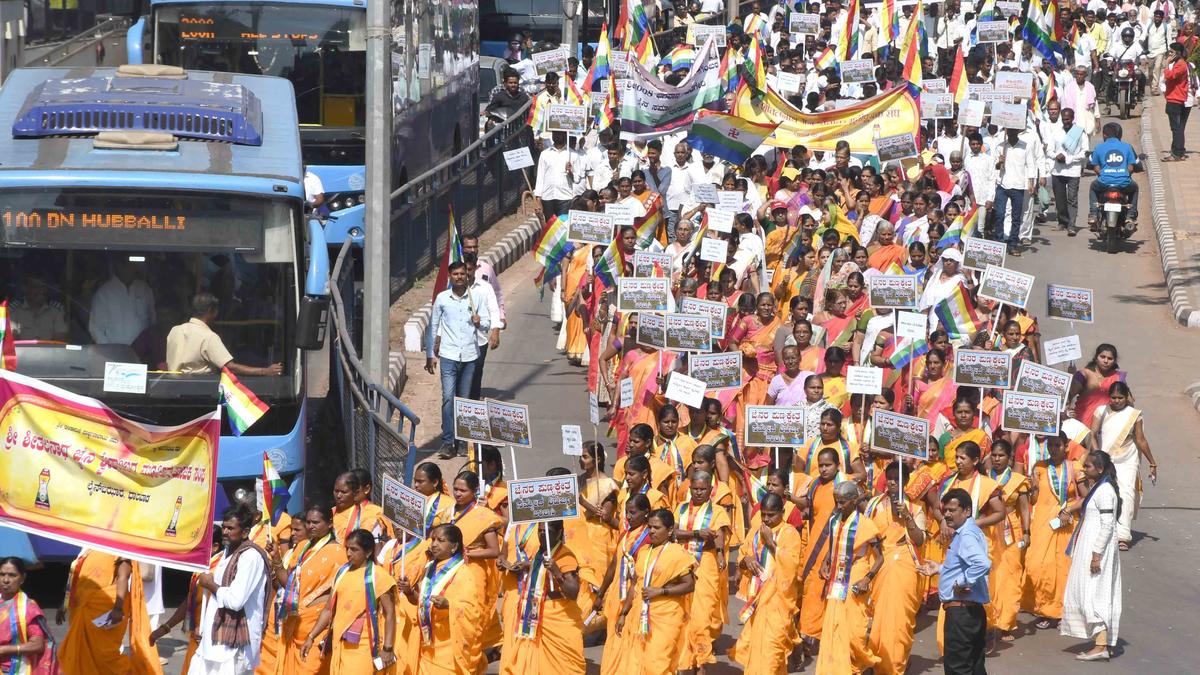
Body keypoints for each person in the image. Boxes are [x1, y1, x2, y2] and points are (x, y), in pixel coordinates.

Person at [186, 505, 270, 674]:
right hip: (214, 641)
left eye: (230, 528)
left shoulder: (250, 557)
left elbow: (235, 600)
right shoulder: (227, 553)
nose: (224, 532)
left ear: (245, 532)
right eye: (224, 527)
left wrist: (210, 584)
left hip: (235, 644)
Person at [916, 487, 991, 675]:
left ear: (966, 511)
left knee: (958, 668)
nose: (947, 515)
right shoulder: (968, 531)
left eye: (952, 510)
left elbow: (982, 563)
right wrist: (940, 569)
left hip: (962, 613)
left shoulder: (966, 534)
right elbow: (965, 564)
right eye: (945, 510)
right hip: (969, 612)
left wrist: (962, 583)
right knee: (975, 666)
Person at [727, 492, 803, 673]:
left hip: (778, 601)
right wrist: (747, 561)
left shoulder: (789, 533)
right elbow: (743, 555)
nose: (767, 519)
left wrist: (771, 544)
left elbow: (792, 567)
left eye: (772, 515)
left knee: (771, 651)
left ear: (782, 512)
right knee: (759, 650)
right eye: (764, 514)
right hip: (757, 599)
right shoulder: (755, 530)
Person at [301, 529, 398, 672]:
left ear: (368, 552)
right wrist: (311, 636)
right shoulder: (342, 572)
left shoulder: (379, 576)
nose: (348, 553)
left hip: (363, 646)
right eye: (347, 549)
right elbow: (328, 609)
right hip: (339, 644)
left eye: (354, 549)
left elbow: (390, 614)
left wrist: (388, 648)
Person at [496, 519, 585, 674]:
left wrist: (557, 573)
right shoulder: (541, 553)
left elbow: (573, 592)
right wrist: (529, 566)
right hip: (536, 616)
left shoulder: (566, 556)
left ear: (558, 533)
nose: (542, 535)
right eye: (540, 531)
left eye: (547, 532)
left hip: (557, 620)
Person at [615, 508, 697, 674]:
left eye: (657, 528)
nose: (651, 531)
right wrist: (623, 613)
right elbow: (635, 585)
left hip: (666, 617)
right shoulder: (644, 552)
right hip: (639, 616)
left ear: (669, 531)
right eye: (650, 527)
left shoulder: (677, 553)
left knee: (657, 664)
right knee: (637, 663)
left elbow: (689, 585)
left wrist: (661, 591)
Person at [814, 481, 883, 674]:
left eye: (843, 502)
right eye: (837, 501)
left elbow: (880, 558)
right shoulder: (835, 519)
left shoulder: (866, 525)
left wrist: (867, 579)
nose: (838, 506)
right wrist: (825, 563)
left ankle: (864, 662)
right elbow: (834, 546)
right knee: (833, 624)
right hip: (836, 577)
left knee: (854, 630)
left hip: (856, 574)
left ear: (854, 501)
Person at [396, 524, 486, 674]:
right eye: (433, 540)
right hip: (426, 642)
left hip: (449, 644)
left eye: (440, 540)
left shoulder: (464, 573)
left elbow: (473, 612)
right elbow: (422, 602)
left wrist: (449, 605)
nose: (434, 544)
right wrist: (409, 592)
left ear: (454, 546)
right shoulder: (429, 568)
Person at [1060, 451, 1123, 661]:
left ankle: (1101, 645)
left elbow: (1107, 526)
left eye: (1087, 466)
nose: (1083, 469)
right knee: (1090, 593)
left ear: (1100, 469)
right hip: (1091, 548)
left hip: (1098, 551)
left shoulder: (1105, 491)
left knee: (1096, 596)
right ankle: (1100, 642)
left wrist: (1096, 556)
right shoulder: (1098, 488)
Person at [865, 462, 927, 675]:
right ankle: (877, 661)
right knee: (876, 621)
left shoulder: (916, 508)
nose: (892, 482)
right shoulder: (873, 505)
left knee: (899, 622)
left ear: (906, 482)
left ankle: (896, 664)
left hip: (903, 567)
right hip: (879, 564)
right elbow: (864, 534)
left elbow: (919, 541)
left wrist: (907, 516)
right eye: (889, 477)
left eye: (897, 478)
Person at [57, 548, 161, 674]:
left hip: (106, 608)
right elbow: (77, 579)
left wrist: (118, 608)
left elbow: (123, 576)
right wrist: (64, 604)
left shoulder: (117, 547)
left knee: (105, 656)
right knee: (80, 652)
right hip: (82, 609)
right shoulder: (88, 549)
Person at [426, 261, 492, 459]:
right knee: (448, 398)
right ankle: (448, 442)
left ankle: (462, 442)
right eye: (455, 274)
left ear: (467, 276)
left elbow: (487, 324)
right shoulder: (442, 299)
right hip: (448, 355)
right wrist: (430, 354)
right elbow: (434, 325)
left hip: (470, 356)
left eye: (462, 273)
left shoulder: (477, 297)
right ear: (450, 276)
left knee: (464, 400)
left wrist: (480, 321)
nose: (459, 277)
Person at [273, 505, 348, 675]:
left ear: (329, 523)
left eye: (316, 522)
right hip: (294, 621)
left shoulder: (340, 552)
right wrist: (277, 559)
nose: (311, 526)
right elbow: (289, 585)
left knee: (311, 668)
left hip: (318, 624)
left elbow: (339, 594)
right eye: (308, 522)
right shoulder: (301, 547)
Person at [1088, 381, 1158, 550]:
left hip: (1128, 458)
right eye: (1113, 397)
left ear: (1127, 397)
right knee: (1105, 492)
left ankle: (1123, 535)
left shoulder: (1134, 414)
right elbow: (1093, 433)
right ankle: (1101, 529)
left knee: (1126, 493)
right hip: (1106, 459)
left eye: (1120, 397)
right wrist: (1097, 455)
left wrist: (1152, 462)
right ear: (1109, 397)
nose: (1117, 400)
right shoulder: (1101, 411)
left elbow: (1140, 439)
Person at [673, 471, 730, 673]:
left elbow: (719, 536)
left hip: (706, 563)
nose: (698, 493)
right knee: (680, 617)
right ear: (689, 489)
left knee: (700, 617)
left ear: (710, 490)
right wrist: (697, 534)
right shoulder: (680, 509)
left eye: (702, 489)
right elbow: (673, 532)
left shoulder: (717, 511)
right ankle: (683, 662)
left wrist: (721, 555)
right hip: (680, 566)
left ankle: (701, 662)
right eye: (695, 489)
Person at [1023, 434, 1079, 629]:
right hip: (1043, 523)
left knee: (1063, 568)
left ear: (1066, 446)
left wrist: (1068, 510)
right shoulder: (1039, 467)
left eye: (1057, 445)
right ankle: (1044, 607)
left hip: (1067, 524)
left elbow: (1085, 497)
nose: (1053, 449)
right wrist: (1032, 488)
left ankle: (1056, 611)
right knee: (1037, 565)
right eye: (1050, 445)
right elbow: (1033, 500)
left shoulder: (1076, 468)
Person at [166, 293, 283, 375]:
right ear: (210, 311)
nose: (217, 314)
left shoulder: (175, 330)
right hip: (198, 392)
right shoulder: (209, 337)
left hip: (172, 390)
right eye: (216, 311)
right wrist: (265, 371)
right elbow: (230, 368)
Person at [986, 440, 1031, 645]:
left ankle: (1005, 623)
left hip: (1011, 530)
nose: (997, 459)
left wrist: (1027, 532)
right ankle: (988, 621)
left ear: (1010, 458)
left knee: (1010, 575)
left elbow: (1024, 509)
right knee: (990, 576)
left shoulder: (1019, 480)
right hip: (988, 529)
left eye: (1001, 455)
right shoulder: (984, 479)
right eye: (994, 455)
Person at [0, 557, 57, 673]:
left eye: (12, 575)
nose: (6, 580)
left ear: (22, 578)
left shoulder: (28, 608)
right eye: (2, 574)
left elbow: (37, 645)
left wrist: (4, 650)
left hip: (12, 668)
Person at [88, 255, 155, 345]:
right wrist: (110, 351)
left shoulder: (144, 289)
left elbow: (153, 319)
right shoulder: (104, 293)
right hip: (115, 353)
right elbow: (95, 328)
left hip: (144, 353)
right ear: (119, 266)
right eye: (129, 265)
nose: (133, 269)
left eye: (134, 265)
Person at [1087, 123, 1142, 229]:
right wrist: (1124, 174)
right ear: (1119, 135)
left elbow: (1095, 167)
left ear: (1104, 135)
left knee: (1093, 187)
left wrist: (1103, 174)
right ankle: (1131, 215)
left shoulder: (1099, 147)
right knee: (1135, 188)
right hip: (1124, 182)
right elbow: (1131, 167)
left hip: (1104, 182)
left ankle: (1093, 214)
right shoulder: (1127, 147)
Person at [1046, 107, 1090, 237]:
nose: (1066, 122)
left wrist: (1070, 158)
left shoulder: (1080, 133)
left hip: (1073, 170)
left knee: (1072, 199)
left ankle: (1072, 225)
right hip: (1058, 170)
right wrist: (1056, 156)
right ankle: (1062, 222)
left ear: (1072, 118)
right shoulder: (1056, 132)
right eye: (1064, 119)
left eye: (1068, 119)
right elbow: (1049, 150)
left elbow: (1084, 152)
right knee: (1060, 199)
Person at [331, 471, 394, 544]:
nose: (339, 495)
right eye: (336, 491)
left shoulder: (375, 513)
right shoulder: (332, 512)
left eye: (344, 491)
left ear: (366, 489)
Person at [534, 131, 580, 220]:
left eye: (560, 133)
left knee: (562, 227)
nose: (558, 135)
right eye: (556, 133)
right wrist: (538, 198)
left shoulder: (573, 154)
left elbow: (577, 179)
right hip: (547, 197)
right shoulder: (545, 154)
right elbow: (540, 177)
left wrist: (570, 172)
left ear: (565, 134)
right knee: (549, 227)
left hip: (565, 197)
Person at [9, 276, 67, 341]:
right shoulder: (14, 311)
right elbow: (12, 341)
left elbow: (60, 340)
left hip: (49, 351)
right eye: (36, 287)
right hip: (22, 351)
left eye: (44, 287)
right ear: (25, 289)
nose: (42, 291)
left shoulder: (57, 311)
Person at [1163, 42, 1191, 161]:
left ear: (1177, 53)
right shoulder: (1179, 64)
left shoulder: (1181, 65)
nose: (1169, 54)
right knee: (1179, 128)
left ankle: (1177, 154)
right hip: (1176, 97)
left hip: (1175, 98)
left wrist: (1166, 64)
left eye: (1172, 52)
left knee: (1176, 128)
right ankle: (1180, 151)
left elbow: (1169, 76)